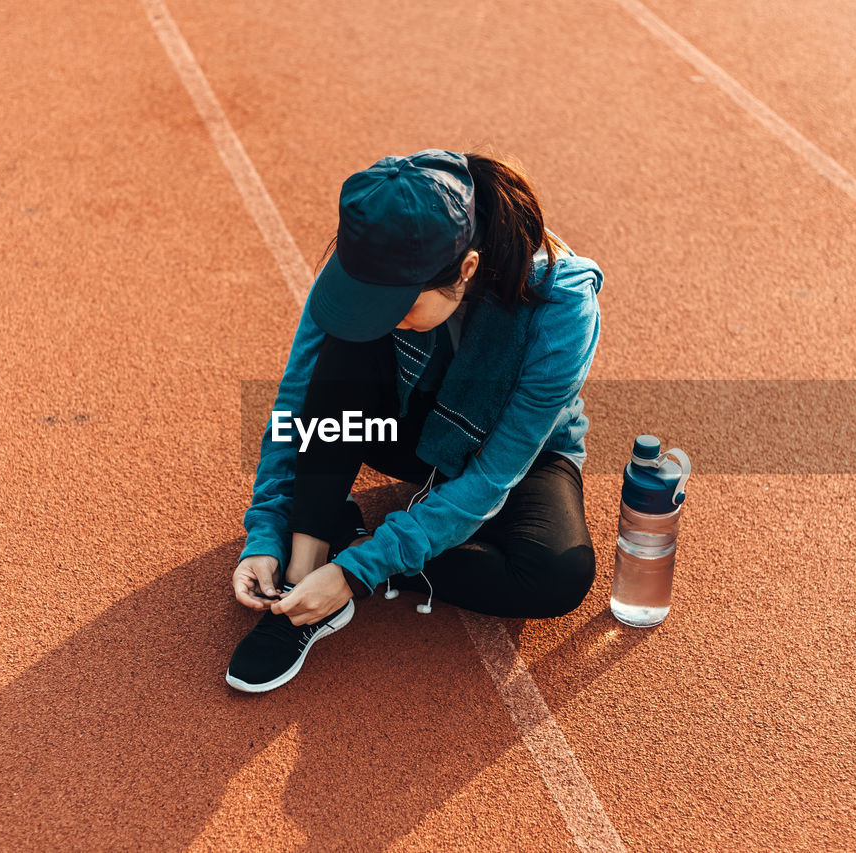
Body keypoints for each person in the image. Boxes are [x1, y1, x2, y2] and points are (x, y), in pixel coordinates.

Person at [226, 148, 604, 693]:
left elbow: (494, 475)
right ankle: (303, 571)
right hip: (394, 428)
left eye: (398, 305)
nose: (380, 317)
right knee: (345, 348)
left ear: (467, 269)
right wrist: (266, 530)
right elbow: (298, 403)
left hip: (513, 447)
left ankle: (346, 549)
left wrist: (361, 569)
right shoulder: (372, 248)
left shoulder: (563, 307)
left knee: (555, 577)